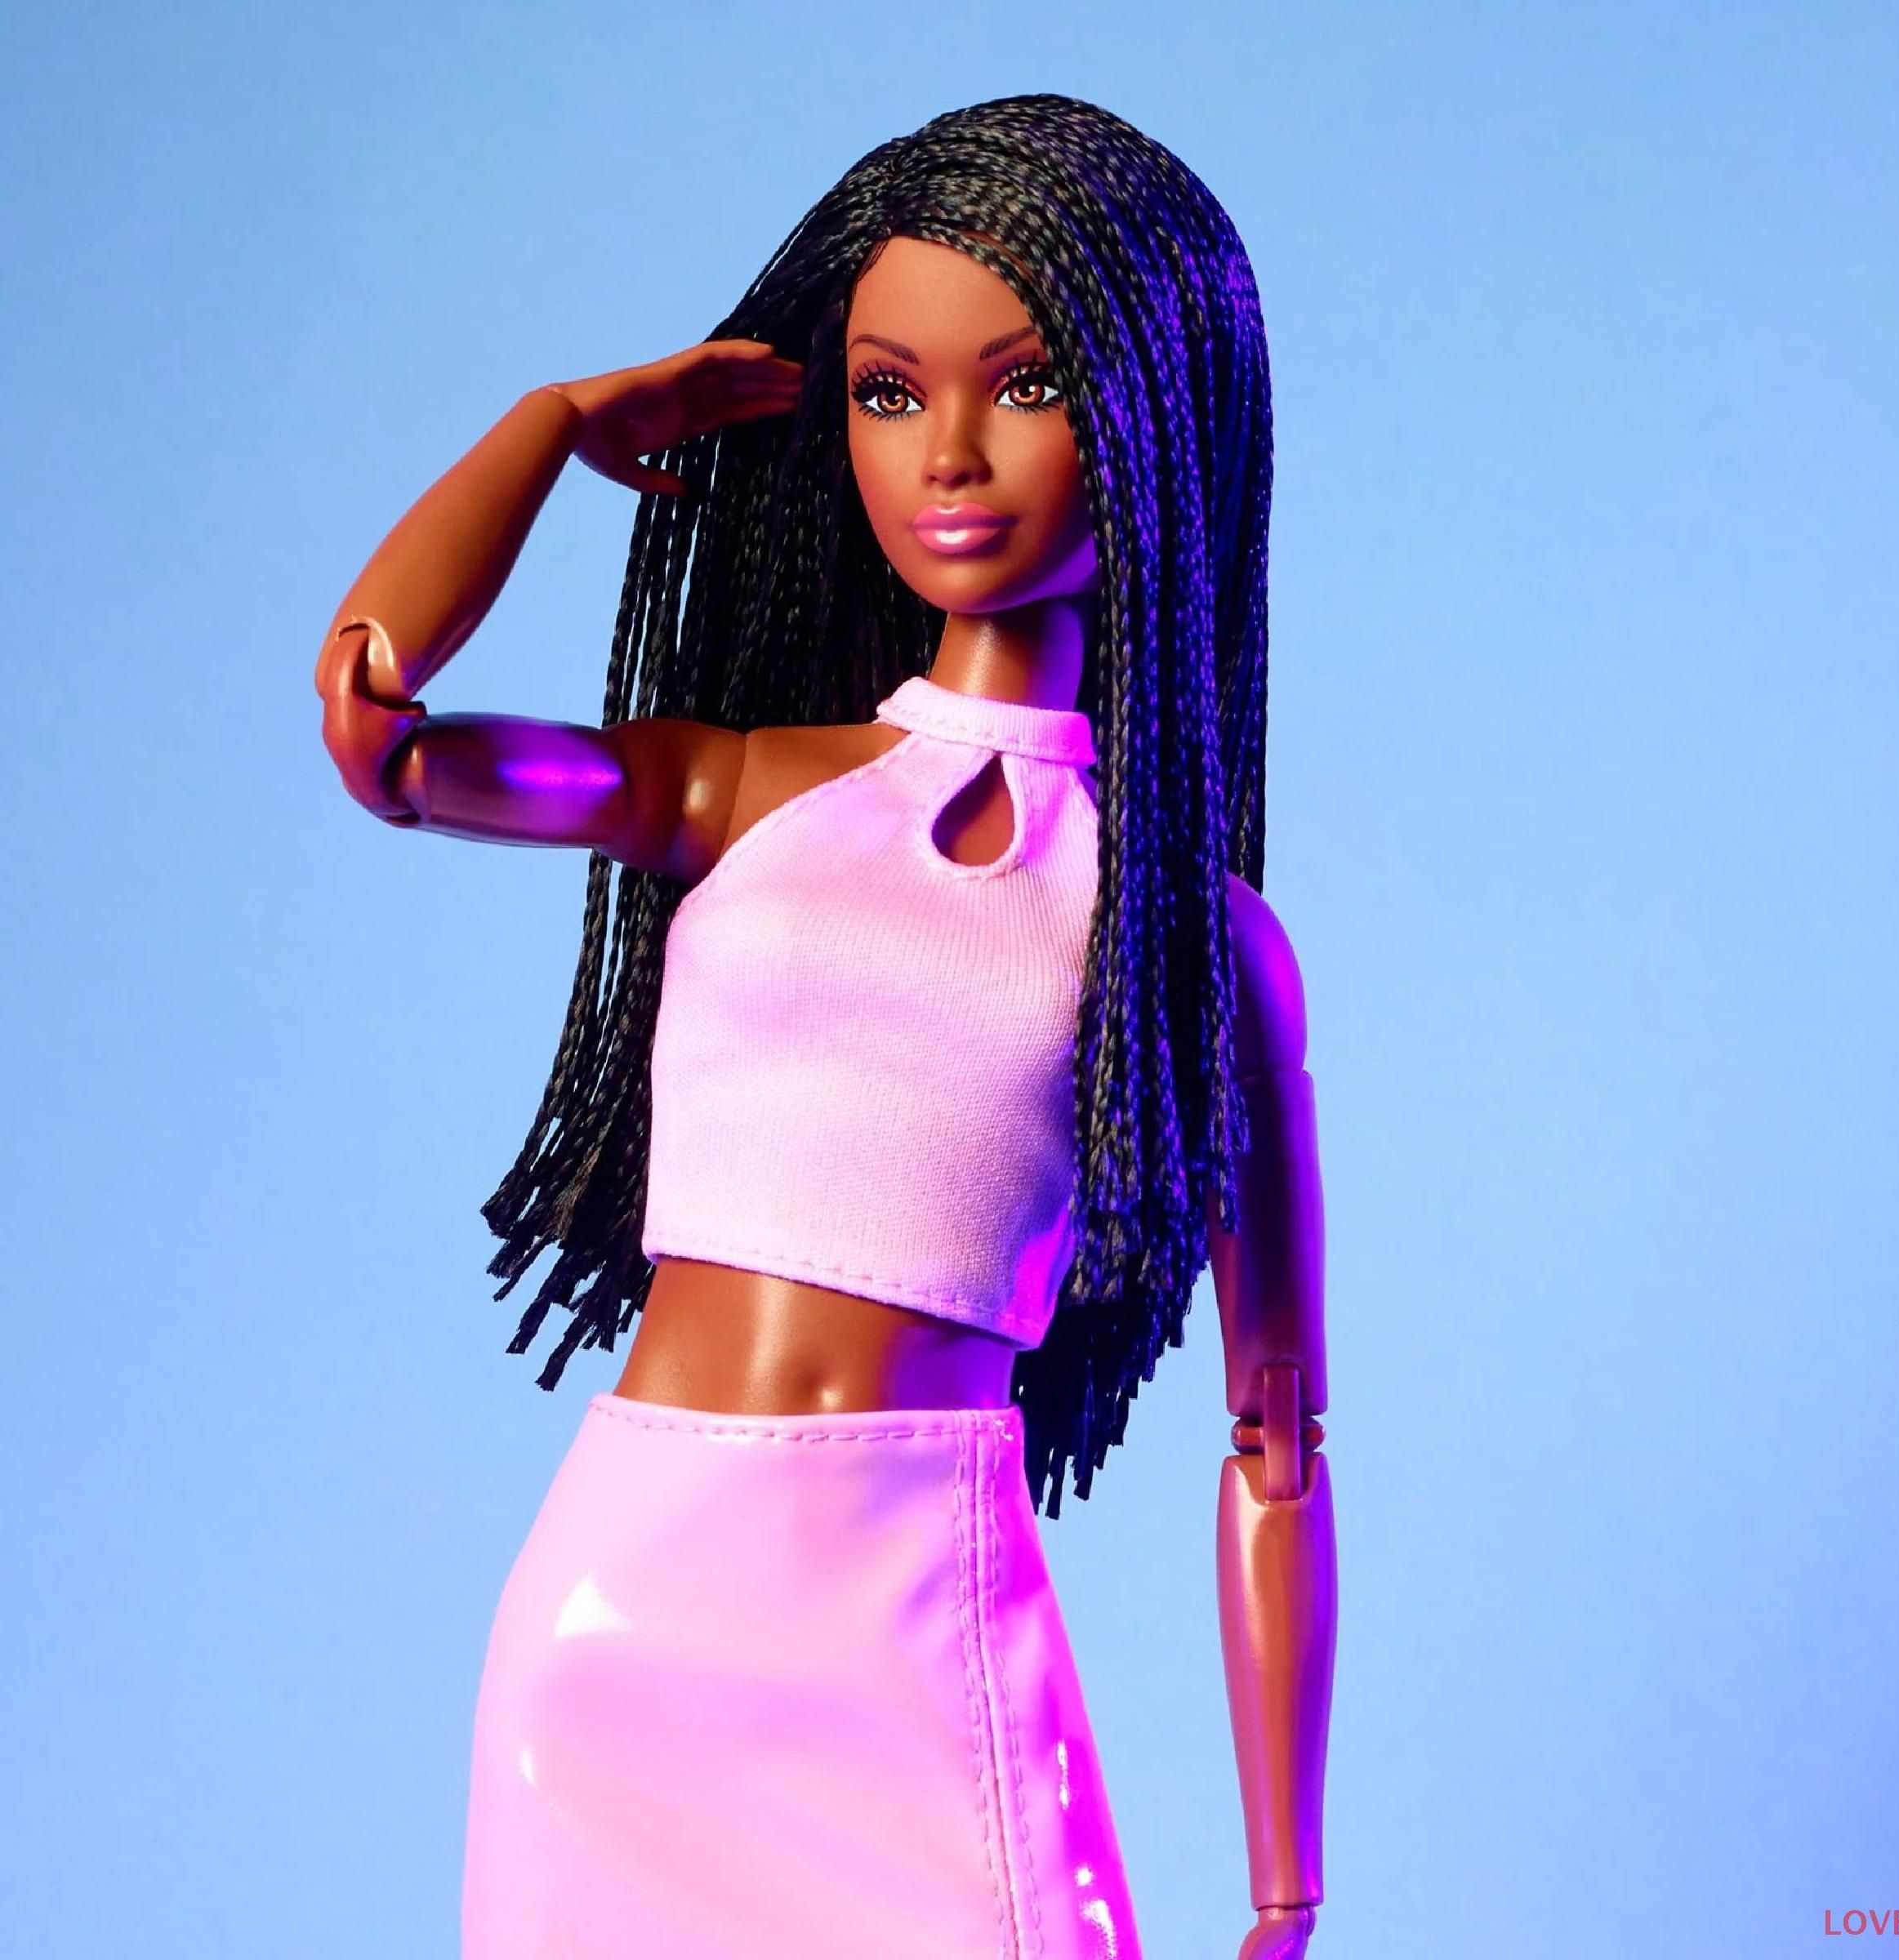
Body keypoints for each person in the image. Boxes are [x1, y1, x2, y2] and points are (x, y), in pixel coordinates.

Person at [315, 91, 1333, 1960]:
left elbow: (1276, 1432)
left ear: (1157, 419)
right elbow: (384, 736)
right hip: (620, 1632)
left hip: (918, 1620)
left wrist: (1285, 1891)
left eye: (1029, 387)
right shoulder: (741, 789)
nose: (948, 453)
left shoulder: (1195, 943)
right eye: (886, 390)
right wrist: (551, 428)